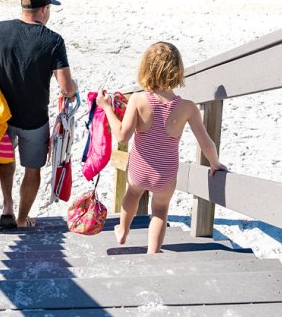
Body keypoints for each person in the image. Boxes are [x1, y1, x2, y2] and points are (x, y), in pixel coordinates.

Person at [0, 0, 78, 228]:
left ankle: (7, 207)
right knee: (32, 169)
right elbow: (66, 88)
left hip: (0, 117)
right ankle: (23, 220)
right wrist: (73, 88)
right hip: (34, 120)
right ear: (45, 10)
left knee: (6, 159)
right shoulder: (53, 41)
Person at [97, 41, 226, 253]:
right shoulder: (187, 108)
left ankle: (122, 229)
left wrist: (107, 109)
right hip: (165, 174)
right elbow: (205, 143)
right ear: (177, 71)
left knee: (132, 194)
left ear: (146, 68)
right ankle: (153, 252)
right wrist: (214, 163)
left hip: (139, 170)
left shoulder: (138, 100)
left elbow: (122, 135)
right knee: (160, 210)